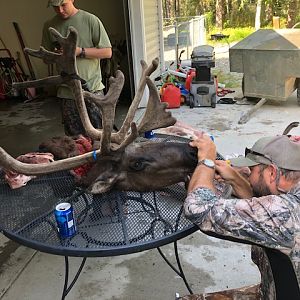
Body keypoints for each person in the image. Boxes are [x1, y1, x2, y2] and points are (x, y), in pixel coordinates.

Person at [184, 134, 300, 295]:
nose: (248, 174)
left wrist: (207, 161)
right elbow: (263, 210)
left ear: (272, 173)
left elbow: (198, 208)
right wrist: (235, 178)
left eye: (251, 171)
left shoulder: (286, 211)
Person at [42, 0, 112, 136]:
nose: (60, 10)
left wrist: (80, 51)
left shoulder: (91, 20)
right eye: (55, 7)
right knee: (75, 140)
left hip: (92, 89)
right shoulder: (49, 26)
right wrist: (56, 55)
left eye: (63, 5)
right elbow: (45, 59)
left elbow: (107, 52)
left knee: (101, 136)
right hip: (66, 92)